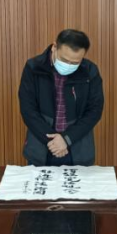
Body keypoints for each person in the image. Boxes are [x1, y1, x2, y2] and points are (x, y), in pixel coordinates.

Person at [19, 29, 105, 166]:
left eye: (75, 62)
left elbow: (94, 111)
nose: (69, 65)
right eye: (65, 60)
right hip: (41, 145)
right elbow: (28, 109)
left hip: (78, 146)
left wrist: (66, 139)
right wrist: (54, 142)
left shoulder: (90, 71)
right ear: (54, 47)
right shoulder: (33, 68)